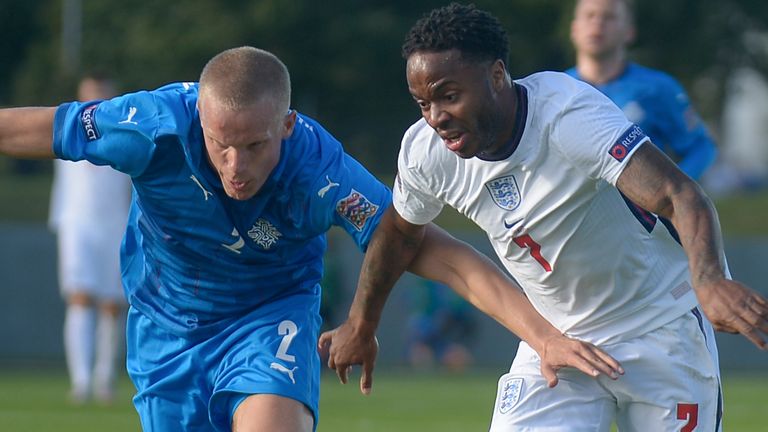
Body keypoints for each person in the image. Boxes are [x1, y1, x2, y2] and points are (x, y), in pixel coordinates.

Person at [0, 46, 623, 432]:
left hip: (269, 318)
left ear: (288, 125)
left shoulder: (319, 170)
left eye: (256, 145)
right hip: (168, 327)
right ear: (199, 123)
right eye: (221, 145)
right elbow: (39, 128)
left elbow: (430, 251)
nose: (237, 165)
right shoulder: (150, 127)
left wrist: (542, 336)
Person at [320, 4, 768, 431]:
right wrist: (362, 323)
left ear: (497, 74)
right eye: (422, 103)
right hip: (556, 337)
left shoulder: (567, 113)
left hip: (660, 323)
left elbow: (678, 193)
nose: (436, 117)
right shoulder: (425, 152)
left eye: (449, 96)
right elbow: (400, 233)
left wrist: (709, 280)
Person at [49, 74, 131, 404]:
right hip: (76, 224)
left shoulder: (126, 134)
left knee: (112, 305)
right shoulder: (65, 131)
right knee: (80, 297)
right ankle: (80, 381)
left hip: (116, 225)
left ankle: (103, 380)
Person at [566, 0, 717, 181]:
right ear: (574, 29)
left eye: (609, 17)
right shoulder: (555, 92)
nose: (597, 23)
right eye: (590, 15)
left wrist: (673, 192)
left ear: (629, 32)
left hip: (637, 206)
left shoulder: (658, 88)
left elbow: (701, 146)